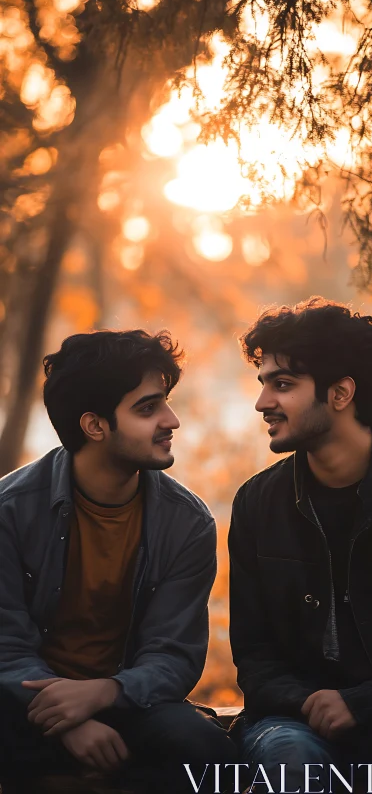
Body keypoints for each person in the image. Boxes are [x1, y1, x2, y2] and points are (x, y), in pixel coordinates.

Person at [0, 328, 237, 793]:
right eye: (148, 408)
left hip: (130, 704)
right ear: (95, 425)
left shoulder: (187, 523)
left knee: (206, 752)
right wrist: (68, 721)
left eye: (165, 401)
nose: (171, 420)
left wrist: (106, 692)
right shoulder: (11, 511)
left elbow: (173, 654)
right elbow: (5, 647)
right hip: (22, 703)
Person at [229, 297, 372, 793]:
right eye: (263, 384)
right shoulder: (256, 505)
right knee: (289, 759)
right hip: (295, 720)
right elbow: (254, 656)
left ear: (341, 392)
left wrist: (365, 702)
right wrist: (313, 703)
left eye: (282, 385)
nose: (263, 403)